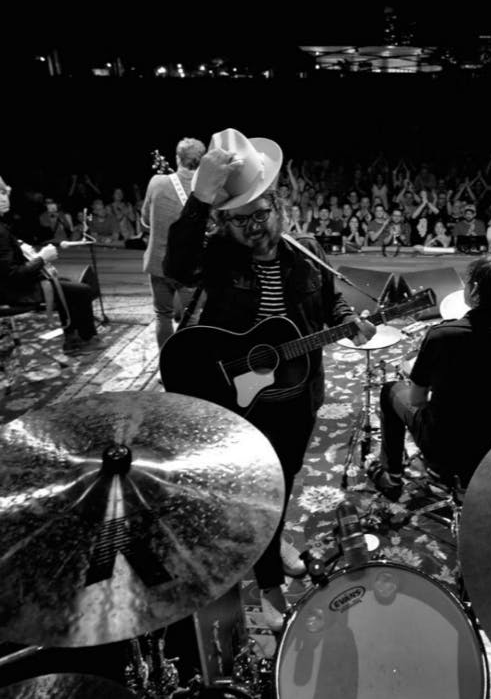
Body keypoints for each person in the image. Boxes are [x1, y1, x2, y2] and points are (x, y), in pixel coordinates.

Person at [164, 129, 375, 632]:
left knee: (285, 477)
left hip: (298, 391)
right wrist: (198, 198)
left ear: (279, 206)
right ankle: (268, 587)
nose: (255, 228)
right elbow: (176, 266)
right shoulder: (217, 255)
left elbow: (331, 302)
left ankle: (274, 539)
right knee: (253, 486)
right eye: (240, 220)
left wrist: (351, 319)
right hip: (237, 396)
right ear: (223, 220)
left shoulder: (307, 251)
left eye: (262, 214)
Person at [369, 255, 491, 500]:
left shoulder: (439, 336)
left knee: (390, 389)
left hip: (440, 446)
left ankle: (392, 476)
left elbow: (416, 400)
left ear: (474, 290)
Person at [0, 175, 103, 354]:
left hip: (10, 286)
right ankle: (83, 340)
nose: (4, 198)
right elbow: (13, 275)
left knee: (63, 282)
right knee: (81, 290)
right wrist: (43, 259)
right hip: (14, 292)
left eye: (4, 192)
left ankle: (72, 337)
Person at [141, 137, 207, 349]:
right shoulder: (207, 191)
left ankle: (166, 367)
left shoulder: (157, 182)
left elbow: (145, 221)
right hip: (189, 267)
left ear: (178, 158)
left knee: (163, 315)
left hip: (159, 264)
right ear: (202, 161)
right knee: (193, 318)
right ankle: (189, 366)